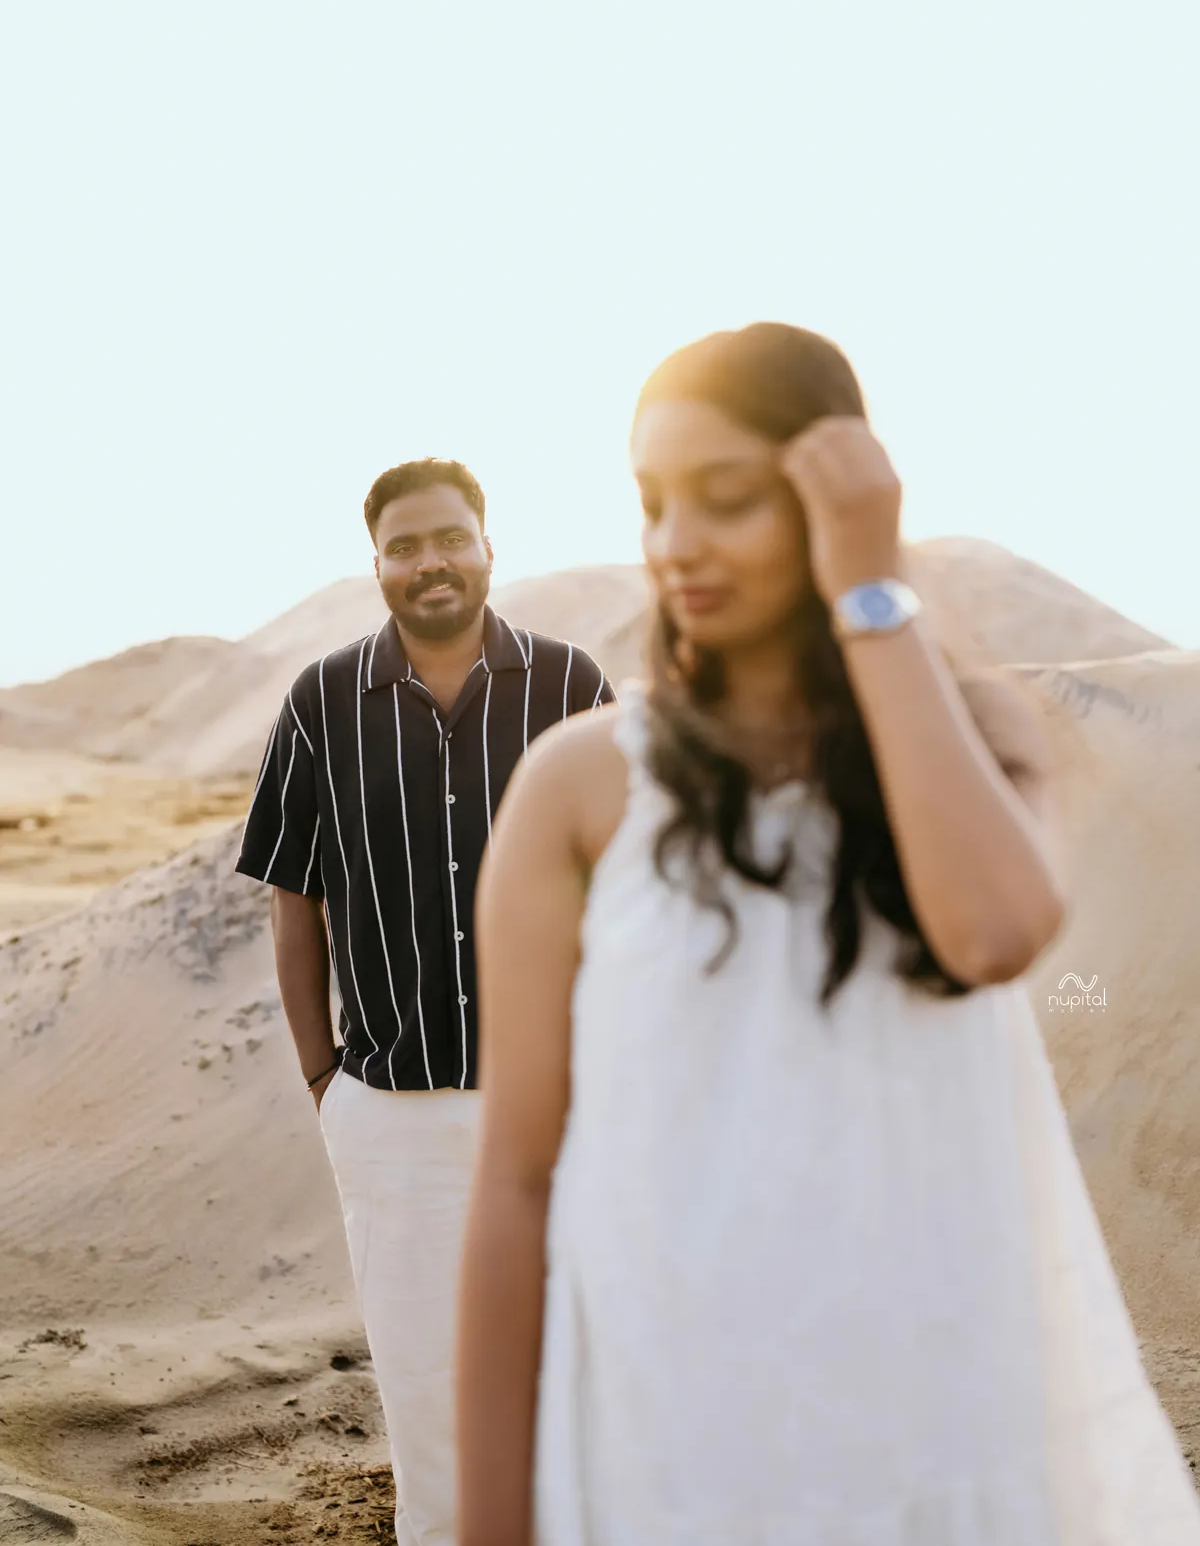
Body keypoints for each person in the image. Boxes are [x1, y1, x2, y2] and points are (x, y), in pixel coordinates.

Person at [456, 325, 1200, 1546]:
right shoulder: (581, 784)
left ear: (839, 490)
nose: (675, 542)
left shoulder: (979, 741)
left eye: (728, 496)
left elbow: (993, 927)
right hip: (672, 1435)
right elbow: (518, 1180)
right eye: (653, 502)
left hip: (933, 1424)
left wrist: (868, 590)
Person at [237, 456, 614, 1546]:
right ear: (378, 565)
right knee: (428, 1390)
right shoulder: (321, 700)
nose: (430, 560)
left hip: (558, 1110)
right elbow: (292, 894)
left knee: (577, 1373)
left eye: (450, 536)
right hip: (391, 1115)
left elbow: (633, 881)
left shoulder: (571, 686)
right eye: (404, 545)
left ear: (489, 545)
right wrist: (324, 1079)